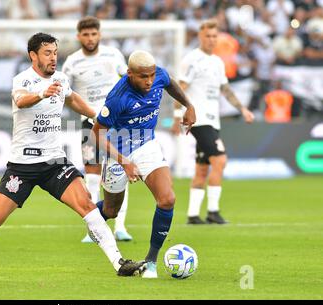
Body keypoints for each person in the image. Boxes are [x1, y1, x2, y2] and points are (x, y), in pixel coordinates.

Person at [0, 33, 144, 277]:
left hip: (54, 162)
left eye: (55, 52)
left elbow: (73, 99)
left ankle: (119, 263)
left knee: (87, 205)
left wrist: (98, 116)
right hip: (23, 165)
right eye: (47, 53)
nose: (53, 58)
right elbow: (21, 101)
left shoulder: (61, 79)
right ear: (33, 56)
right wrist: (42, 93)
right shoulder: (23, 80)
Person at [92, 50, 196, 278]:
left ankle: (151, 261)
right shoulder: (118, 97)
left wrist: (188, 105)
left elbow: (170, 84)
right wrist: (125, 162)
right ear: (130, 73)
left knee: (167, 199)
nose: (149, 81)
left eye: (151, 75)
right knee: (111, 210)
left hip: (146, 144)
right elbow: (96, 134)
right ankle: (92, 218)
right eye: (143, 77)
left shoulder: (158, 74)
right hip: (117, 152)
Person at [171, 20, 255, 225]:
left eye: (214, 36)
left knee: (202, 168)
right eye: (208, 36)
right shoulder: (192, 60)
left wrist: (242, 109)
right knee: (220, 160)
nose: (211, 39)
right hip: (198, 121)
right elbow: (179, 89)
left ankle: (192, 215)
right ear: (200, 37)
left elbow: (225, 89)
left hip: (212, 120)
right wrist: (176, 117)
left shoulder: (217, 62)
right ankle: (213, 211)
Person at [62, 16, 133, 243]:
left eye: (94, 34)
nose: (90, 38)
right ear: (79, 36)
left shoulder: (113, 55)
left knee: (120, 171)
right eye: (86, 34)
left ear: (99, 35)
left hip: (117, 122)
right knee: (92, 175)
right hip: (89, 123)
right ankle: (92, 229)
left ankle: (120, 227)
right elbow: (64, 91)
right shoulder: (72, 62)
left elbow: (128, 78)